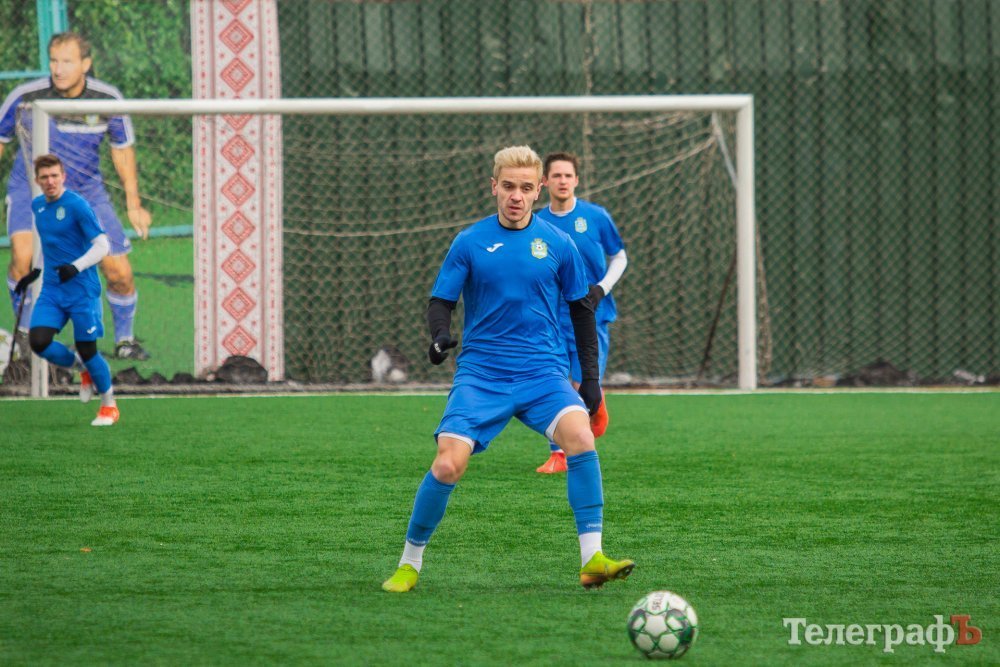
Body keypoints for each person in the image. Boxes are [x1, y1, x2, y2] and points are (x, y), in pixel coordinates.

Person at [381, 145, 634, 593]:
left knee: (580, 437)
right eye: (509, 186)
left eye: (526, 188)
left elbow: (581, 312)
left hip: (543, 373)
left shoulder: (559, 244)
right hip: (482, 376)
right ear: (494, 187)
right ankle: (409, 563)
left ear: (538, 191)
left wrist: (591, 380)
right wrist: (438, 336)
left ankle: (592, 559)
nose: (517, 196)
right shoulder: (469, 241)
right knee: (447, 465)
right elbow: (441, 301)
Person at [0, 31, 151, 362]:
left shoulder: (107, 99)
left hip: (86, 195)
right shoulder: (25, 97)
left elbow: (122, 149)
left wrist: (134, 204)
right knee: (24, 259)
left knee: (120, 273)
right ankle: (25, 337)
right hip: (31, 191)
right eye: (54, 61)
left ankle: (125, 340)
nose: (58, 69)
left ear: (85, 64)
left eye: (67, 61)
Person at [533, 152, 628, 474]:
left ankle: (595, 400)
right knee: (555, 382)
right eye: (556, 176)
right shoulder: (536, 223)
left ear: (576, 180)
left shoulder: (596, 216)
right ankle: (559, 453)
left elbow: (619, 256)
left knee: (581, 382)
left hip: (591, 315)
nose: (562, 181)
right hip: (551, 318)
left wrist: (601, 288)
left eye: (567, 175)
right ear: (545, 182)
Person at [17, 154, 118, 426]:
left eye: (54, 176)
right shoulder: (38, 206)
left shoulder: (77, 205)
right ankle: (81, 367)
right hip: (52, 290)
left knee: (88, 348)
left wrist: (76, 266)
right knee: (39, 341)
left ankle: (108, 405)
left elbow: (103, 246)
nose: (50, 181)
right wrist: (36, 271)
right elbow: (49, 242)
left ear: (63, 177)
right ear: (37, 181)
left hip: (82, 290)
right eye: (44, 177)